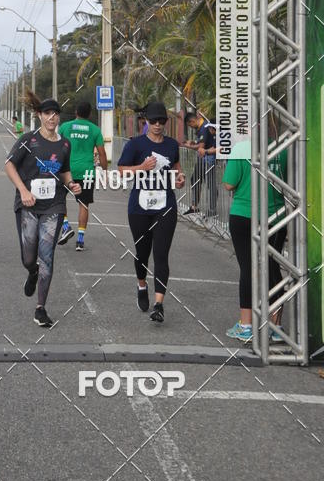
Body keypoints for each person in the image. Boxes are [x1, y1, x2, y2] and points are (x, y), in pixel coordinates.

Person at [5, 91, 81, 328]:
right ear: (39, 115)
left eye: (55, 114)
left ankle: (41, 308)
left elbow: (64, 170)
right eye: (47, 113)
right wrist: (24, 191)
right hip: (28, 206)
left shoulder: (65, 144)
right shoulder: (28, 140)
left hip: (54, 206)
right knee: (29, 258)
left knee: (47, 256)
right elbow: (9, 165)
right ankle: (32, 272)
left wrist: (71, 184)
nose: (52, 118)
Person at [117, 101, 185, 323]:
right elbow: (121, 172)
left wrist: (180, 179)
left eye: (162, 121)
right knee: (142, 252)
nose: (157, 125)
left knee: (161, 254)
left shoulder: (172, 145)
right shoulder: (135, 145)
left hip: (165, 206)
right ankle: (141, 284)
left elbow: (177, 170)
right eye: (153, 121)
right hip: (139, 207)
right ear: (145, 121)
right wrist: (140, 168)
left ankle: (158, 304)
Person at [223, 136, 287, 343]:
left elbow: (228, 184)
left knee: (248, 268)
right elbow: (291, 182)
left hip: (244, 214)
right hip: (275, 215)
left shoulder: (241, 148)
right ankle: (275, 326)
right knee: (272, 267)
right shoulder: (282, 146)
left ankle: (246, 325)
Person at [58, 100, 107, 251]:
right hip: (86, 172)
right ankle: (80, 240)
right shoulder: (95, 130)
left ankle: (66, 226)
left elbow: (56, 145)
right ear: (89, 114)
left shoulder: (65, 127)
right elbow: (102, 152)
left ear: (76, 113)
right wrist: (104, 170)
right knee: (84, 204)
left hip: (66, 170)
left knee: (59, 200)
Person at [182, 112, 217, 216]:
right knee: (195, 179)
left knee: (211, 184)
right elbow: (201, 143)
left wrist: (189, 146)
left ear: (192, 121)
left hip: (209, 159)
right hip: (202, 158)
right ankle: (194, 206)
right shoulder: (201, 127)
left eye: (190, 125)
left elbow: (201, 146)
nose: (191, 127)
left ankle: (212, 209)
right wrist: (193, 142)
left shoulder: (204, 127)